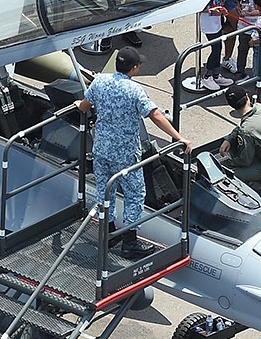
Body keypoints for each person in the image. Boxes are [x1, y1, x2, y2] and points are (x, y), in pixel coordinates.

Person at [77, 47, 194, 257]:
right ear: (134, 68)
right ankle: (130, 242)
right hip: (125, 154)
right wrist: (179, 138)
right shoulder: (134, 91)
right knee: (135, 194)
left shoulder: (99, 82)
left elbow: (84, 106)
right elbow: (155, 115)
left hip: (101, 149)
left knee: (105, 191)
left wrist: (80, 104)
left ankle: (109, 233)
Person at [220, 84, 261, 195]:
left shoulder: (247, 130)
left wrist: (226, 164)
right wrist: (229, 138)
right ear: (247, 97)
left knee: (230, 175)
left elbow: (245, 160)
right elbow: (243, 127)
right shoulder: (259, 108)